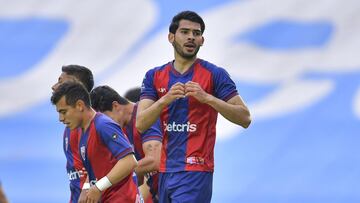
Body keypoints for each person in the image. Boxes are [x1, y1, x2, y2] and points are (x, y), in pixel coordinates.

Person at [136, 10, 251, 202]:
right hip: (164, 171)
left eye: (196, 34)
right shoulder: (153, 76)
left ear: (202, 40)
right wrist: (165, 99)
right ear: (171, 37)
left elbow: (245, 118)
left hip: (196, 170)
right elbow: (140, 123)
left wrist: (208, 98)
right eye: (185, 32)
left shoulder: (215, 74)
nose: (191, 37)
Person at [51, 82, 142, 202]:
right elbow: (100, 167)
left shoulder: (103, 125)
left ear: (79, 105)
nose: (61, 119)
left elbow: (129, 161)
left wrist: (98, 187)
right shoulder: (84, 130)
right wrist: (86, 188)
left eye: (64, 112)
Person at [90, 85, 162, 203]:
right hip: (159, 192)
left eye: (104, 119)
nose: (104, 126)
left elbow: (155, 160)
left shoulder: (145, 114)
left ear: (115, 106)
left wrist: (112, 177)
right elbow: (138, 179)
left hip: (181, 186)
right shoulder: (120, 129)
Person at [51, 65, 94, 203]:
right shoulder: (70, 125)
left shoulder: (94, 125)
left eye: (60, 82)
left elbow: (100, 166)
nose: (54, 86)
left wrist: (86, 189)